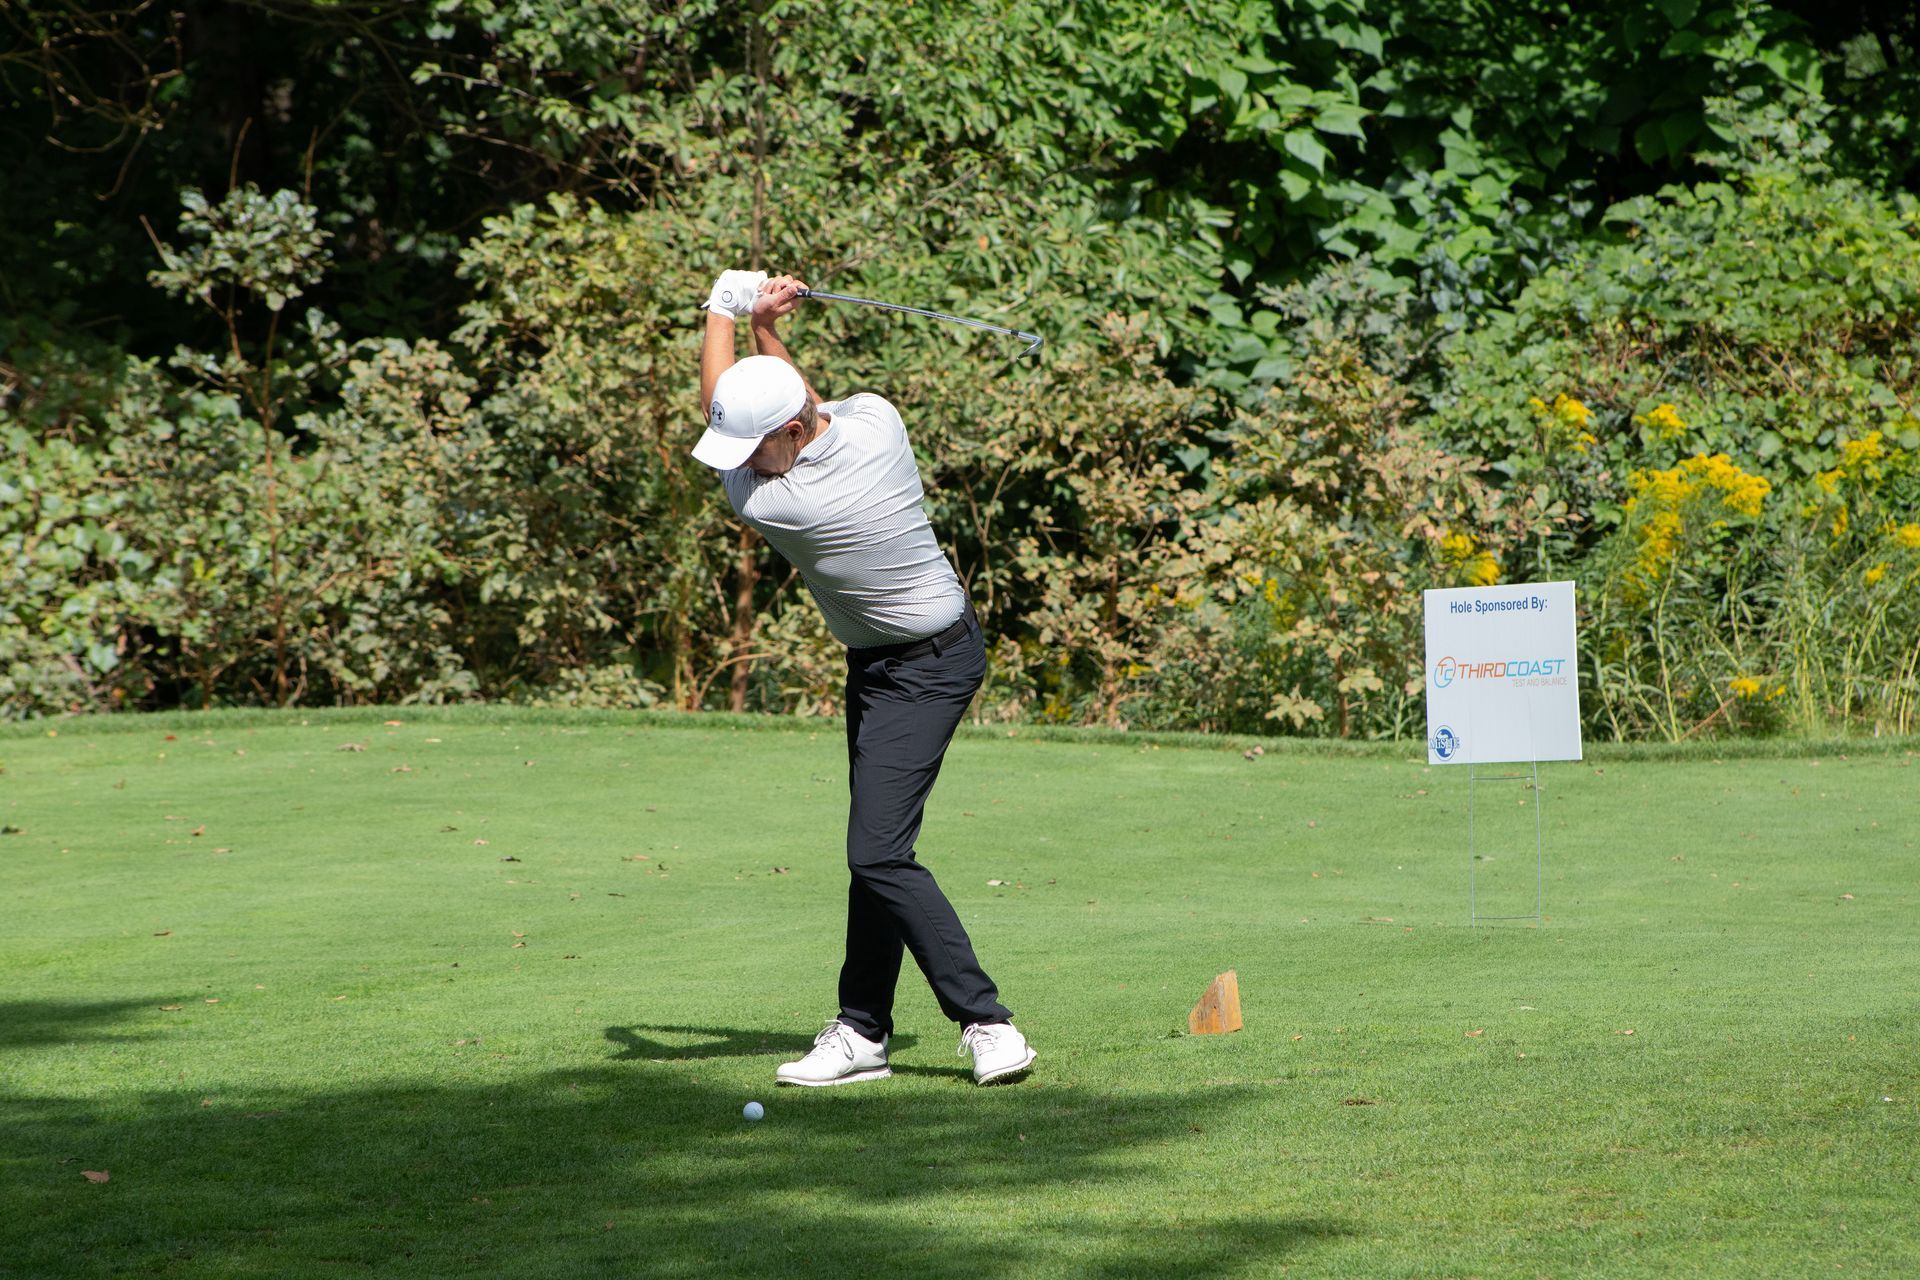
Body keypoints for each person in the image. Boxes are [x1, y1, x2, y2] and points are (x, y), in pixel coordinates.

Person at [693, 269, 1036, 1087]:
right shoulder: (877, 421)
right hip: (883, 664)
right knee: (876, 849)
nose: (746, 461)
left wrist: (723, 308)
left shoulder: (778, 505)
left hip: (931, 667)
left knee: (877, 852)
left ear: (789, 434)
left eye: (755, 446)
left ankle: (988, 1023)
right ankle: (863, 1031)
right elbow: (797, 400)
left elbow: (721, 398)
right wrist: (766, 326)